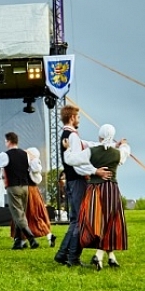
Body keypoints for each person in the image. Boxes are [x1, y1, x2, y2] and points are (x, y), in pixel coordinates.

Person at [64, 124, 131, 270]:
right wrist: (122, 144)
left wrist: (68, 148)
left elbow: (70, 160)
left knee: (97, 222)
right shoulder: (117, 153)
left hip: (94, 189)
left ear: (99, 136)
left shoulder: (91, 151)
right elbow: (125, 152)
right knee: (109, 221)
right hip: (111, 189)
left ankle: (102, 256)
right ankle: (106, 256)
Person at [53, 104, 111, 267]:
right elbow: (78, 162)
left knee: (74, 220)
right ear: (72, 118)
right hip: (77, 180)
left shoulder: (68, 135)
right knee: (81, 219)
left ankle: (62, 254)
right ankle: (73, 258)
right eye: (78, 117)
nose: (79, 120)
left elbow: (87, 145)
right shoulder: (71, 136)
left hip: (72, 180)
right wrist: (95, 171)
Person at [0, 132, 40, 250]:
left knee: (18, 215)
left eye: (5, 141)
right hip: (25, 187)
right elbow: (35, 168)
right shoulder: (25, 154)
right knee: (20, 214)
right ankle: (18, 242)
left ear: (8, 141)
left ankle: (31, 238)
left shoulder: (5, 155)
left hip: (13, 187)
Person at [22, 147, 55, 247]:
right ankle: (22, 240)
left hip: (29, 190)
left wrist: (32, 158)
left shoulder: (33, 163)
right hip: (32, 190)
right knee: (33, 214)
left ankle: (22, 240)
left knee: (31, 214)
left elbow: (36, 169)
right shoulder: (29, 163)